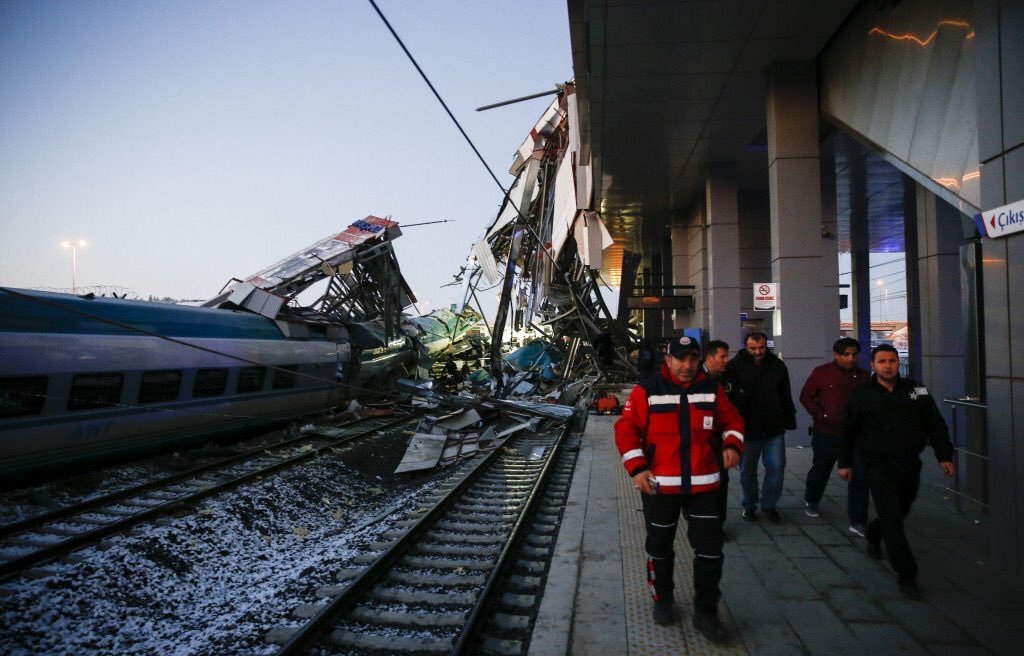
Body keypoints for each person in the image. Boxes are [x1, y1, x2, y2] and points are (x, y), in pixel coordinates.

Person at [615, 335, 744, 641]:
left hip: (706, 485)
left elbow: (734, 420)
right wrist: (638, 468)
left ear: (700, 361)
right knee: (659, 548)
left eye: (693, 359)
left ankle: (706, 613)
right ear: (668, 360)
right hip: (660, 487)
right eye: (681, 359)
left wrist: (733, 445)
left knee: (710, 553)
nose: (687, 366)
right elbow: (625, 429)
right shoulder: (648, 390)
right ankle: (663, 599)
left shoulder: (712, 389)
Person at [837, 344, 956, 598]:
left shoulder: (916, 391)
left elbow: (935, 425)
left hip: (909, 463)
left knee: (901, 509)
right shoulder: (861, 395)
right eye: (882, 361)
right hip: (877, 465)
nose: (887, 365)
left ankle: (874, 532)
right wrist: (844, 463)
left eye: (892, 361)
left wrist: (944, 455)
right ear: (873, 365)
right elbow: (847, 431)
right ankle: (907, 574)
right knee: (891, 515)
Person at [799, 337, 871, 536]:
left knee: (860, 476)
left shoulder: (864, 377)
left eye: (854, 354)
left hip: (856, 437)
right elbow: (806, 396)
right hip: (827, 433)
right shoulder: (821, 373)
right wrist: (822, 415)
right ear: (836, 354)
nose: (851, 358)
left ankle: (858, 520)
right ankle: (812, 499)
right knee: (821, 469)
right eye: (846, 354)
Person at [726, 331, 796, 523]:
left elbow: (785, 394)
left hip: (773, 426)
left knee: (776, 467)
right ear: (745, 346)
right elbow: (728, 398)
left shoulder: (777, 365)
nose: (758, 352)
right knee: (746, 471)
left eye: (762, 348)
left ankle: (769, 504)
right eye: (753, 348)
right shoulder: (734, 366)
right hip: (747, 429)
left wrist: (789, 419)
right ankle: (749, 504)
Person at [702, 340, 734, 531]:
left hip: (722, 442)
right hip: (703, 441)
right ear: (710, 358)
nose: (726, 360)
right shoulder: (696, 379)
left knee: (721, 483)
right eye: (722, 356)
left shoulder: (729, 376)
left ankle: (717, 524)